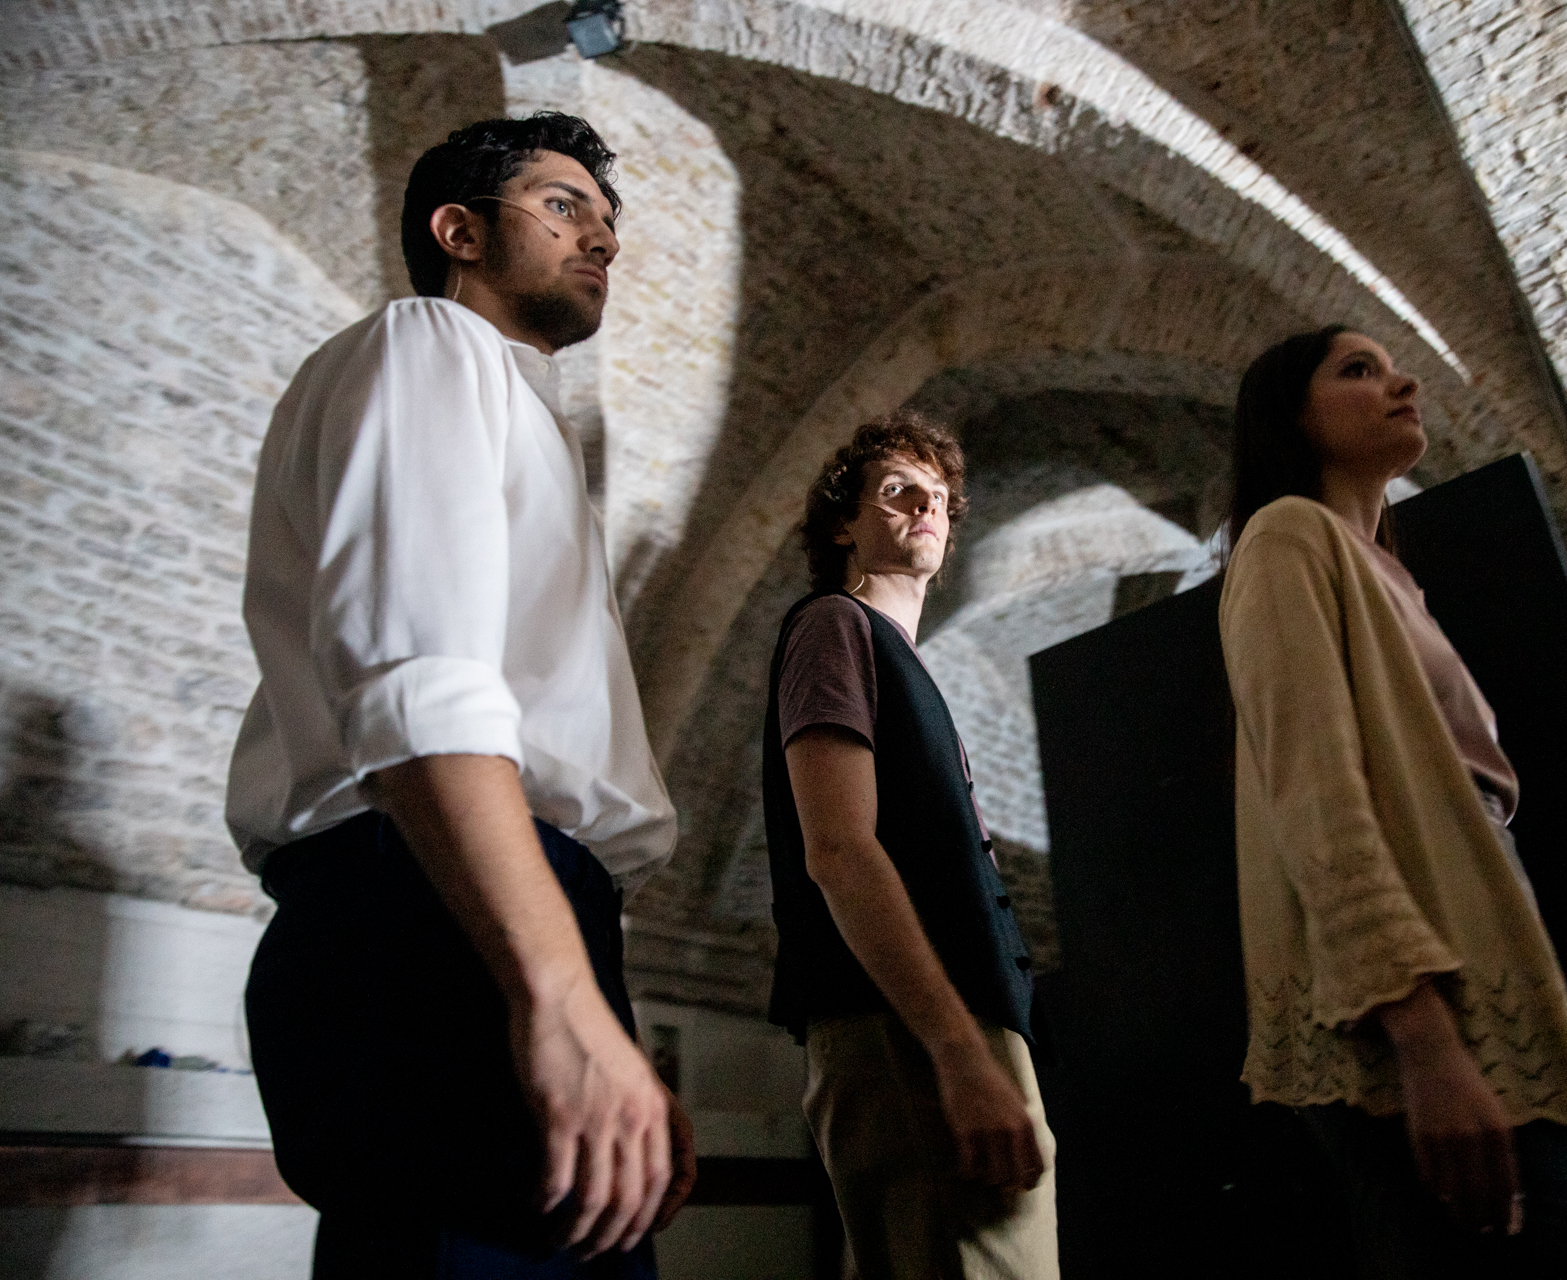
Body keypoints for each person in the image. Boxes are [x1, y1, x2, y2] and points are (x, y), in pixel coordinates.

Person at [228, 114, 695, 1277]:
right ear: (459, 230)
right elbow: (418, 685)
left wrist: (589, 988)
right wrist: (558, 996)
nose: (603, 238)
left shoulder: (512, 404)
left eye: (608, 217)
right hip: (440, 893)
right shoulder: (427, 342)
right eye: (562, 205)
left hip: (512, 897)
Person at [1217, 326, 1567, 1278]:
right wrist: (1420, 1032)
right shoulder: (1288, 535)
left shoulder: (1387, 571)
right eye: (1358, 370)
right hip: (1415, 991)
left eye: (1390, 364)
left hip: (1468, 924)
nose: (1402, 379)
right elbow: (1315, 791)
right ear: (1291, 417)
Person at [761, 412, 1056, 1279]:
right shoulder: (834, 628)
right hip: (909, 1030)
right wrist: (958, 1053)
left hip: (945, 1027)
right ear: (843, 523)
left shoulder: (901, 660)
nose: (926, 506)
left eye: (938, 498)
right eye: (897, 491)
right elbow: (841, 852)